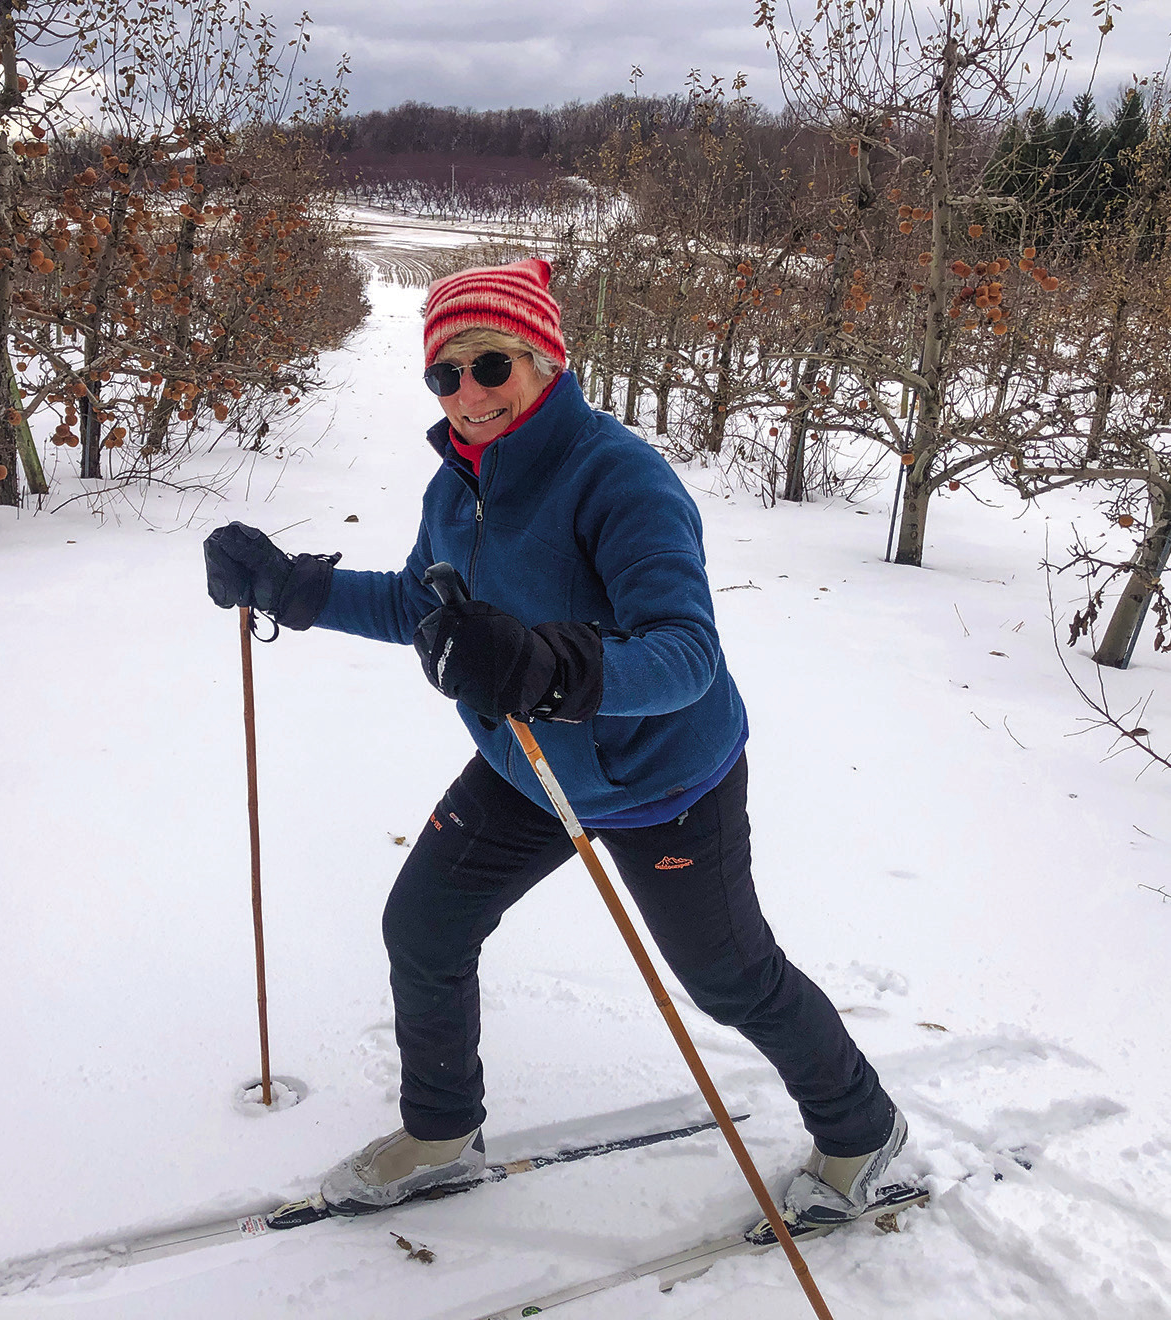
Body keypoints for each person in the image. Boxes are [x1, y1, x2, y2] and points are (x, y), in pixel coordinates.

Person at [203, 258, 906, 1228]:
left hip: (663, 781)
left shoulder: (619, 477)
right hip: (526, 766)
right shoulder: (456, 484)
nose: (468, 394)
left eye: (490, 364)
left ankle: (862, 1130)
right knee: (425, 926)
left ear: (545, 360)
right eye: (444, 374)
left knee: (729, 979)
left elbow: (686, 653)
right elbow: (418, 602)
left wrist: (549, 667)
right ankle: (442, 1134)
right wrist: (294, 590)